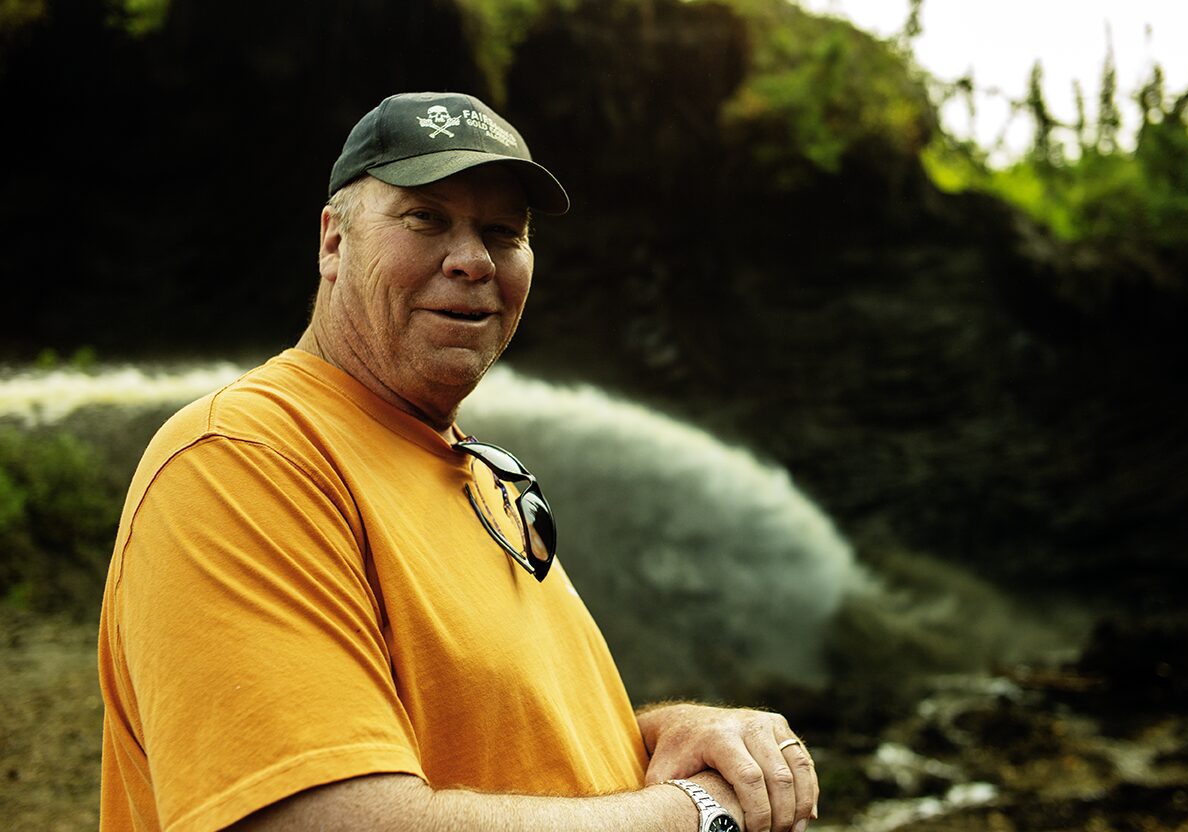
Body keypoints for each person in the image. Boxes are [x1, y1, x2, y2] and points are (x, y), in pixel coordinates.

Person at [98, 92, 819, 832]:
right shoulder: (243, 461)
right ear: (334, 242)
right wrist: (697, 812)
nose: (473, 260)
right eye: (425, 218)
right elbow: (322, 818)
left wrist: (669, 733)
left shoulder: (484, 477)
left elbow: (508, 745)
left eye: (504, 231)